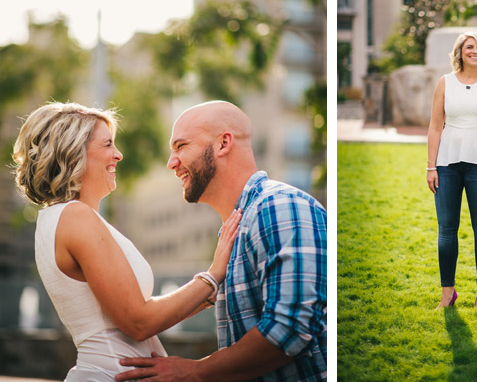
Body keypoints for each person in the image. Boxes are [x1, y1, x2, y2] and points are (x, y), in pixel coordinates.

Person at [11, 102, 242, 381]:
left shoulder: (56, 219)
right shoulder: (75, 217)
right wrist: (213, 274)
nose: (118, 155)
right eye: (108, 144)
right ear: (74, 151)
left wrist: (209, 292)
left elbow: (127, 314)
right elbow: (138, 322)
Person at [116, 101, 327, 382]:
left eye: (181, 146)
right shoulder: (239, 226)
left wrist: (193, 371)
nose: (171, 162)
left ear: (223, 143)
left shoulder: (279, 207)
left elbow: (289, 328)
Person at [426, 31, 477, 310]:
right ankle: (448, 292)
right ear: (459, 52)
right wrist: (430, 166)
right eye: (469, 47)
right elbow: (435, 126)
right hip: (447, 163)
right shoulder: (444, 83)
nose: (475, 52)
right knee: (446, 229)